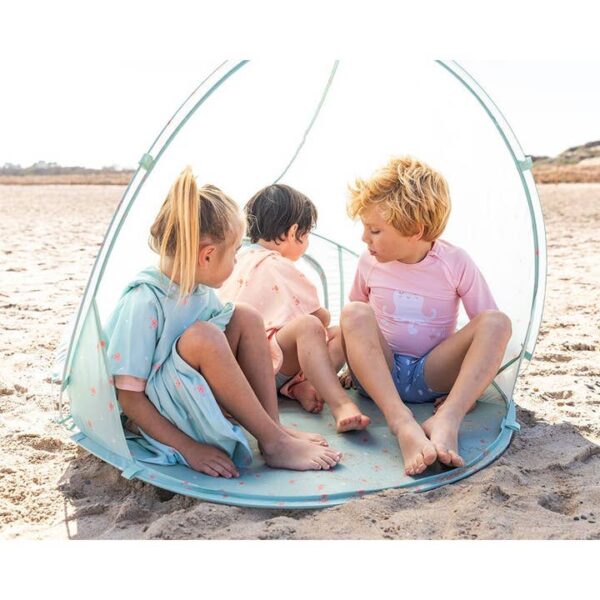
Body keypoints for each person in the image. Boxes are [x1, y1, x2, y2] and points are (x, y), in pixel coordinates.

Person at [105, 167, 342, 478]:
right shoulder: (144, 301)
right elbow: (130, 398)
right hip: (163, 414)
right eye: (234, 253)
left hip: (190, 395)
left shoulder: (198, 291)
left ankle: (272, 431)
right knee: (204, 336)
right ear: (208, 255)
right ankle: (275, 442)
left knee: (245, 315)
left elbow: (227, 345)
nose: (236, 261)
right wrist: (188, 449)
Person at [340, 156, 512, 476]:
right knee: (354, 312)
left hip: (430, 375)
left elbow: (484, 327)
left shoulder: (454, 262)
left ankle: (449, 417)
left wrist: (466, 392)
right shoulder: (369, 261)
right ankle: (402, 423)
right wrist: (344, 366)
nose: (365, 239)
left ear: (415, 231)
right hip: (381, 375)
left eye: (375, 230)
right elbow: (354, 327)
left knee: (497, 322)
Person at [219, 184, 370, 433]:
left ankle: (297, 387)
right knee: (329, 330)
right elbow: (316, 317)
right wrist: (324, 316)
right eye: (306, 234)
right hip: (268, 366)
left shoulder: (237, 259)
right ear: (293, 232)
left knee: (305, 332)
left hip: (238, 369)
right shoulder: (278, 265)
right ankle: (340, 403)